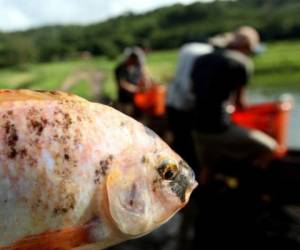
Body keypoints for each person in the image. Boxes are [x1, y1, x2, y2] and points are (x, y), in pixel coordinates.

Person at [191, 26, 277, 183]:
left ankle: (201, 200)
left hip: (198, 127)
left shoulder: (201, 59)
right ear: (247, 47)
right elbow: (240, 103)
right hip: (219, 129)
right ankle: (251, 184)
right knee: (270, 148)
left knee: (207, 169)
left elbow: (193, 91)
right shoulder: (242, 62)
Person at [114, 46, 151, 117]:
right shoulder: (120, 68)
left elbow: (144, 74)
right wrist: (137, 89)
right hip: (125, 101)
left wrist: (147, 81)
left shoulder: (137, 66)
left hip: (138, 99)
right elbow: (123, 84)